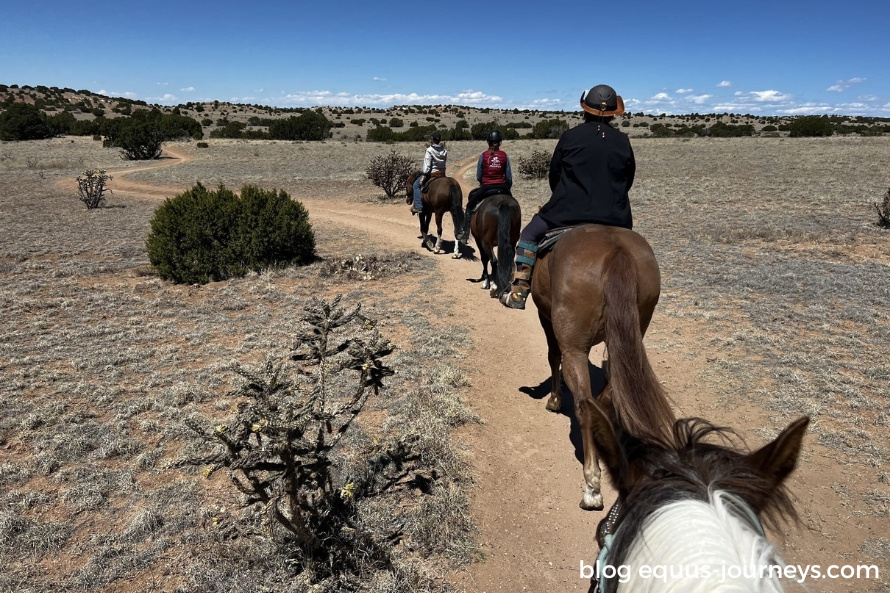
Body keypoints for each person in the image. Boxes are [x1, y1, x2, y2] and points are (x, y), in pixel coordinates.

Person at [500, 84, 635, 309]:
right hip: (616, 217)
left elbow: (555, 176)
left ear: (585, 110)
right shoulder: (623, 141)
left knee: (528, 235)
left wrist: (565, 195)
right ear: (613, 114)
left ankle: (519, 292)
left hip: (568, 212)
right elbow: (627, 180)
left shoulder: (570, 137)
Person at [461, 129, 513, 239]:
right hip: (503, 187)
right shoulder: (504, 156)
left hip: (486, 187)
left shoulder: (483, 155)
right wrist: (507, 188)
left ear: (488, 142)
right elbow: (508, 177)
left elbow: (479, 176)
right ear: (500, 142)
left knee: (469, 206)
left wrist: (483, 183)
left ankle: (465, 233)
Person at [410, 131, 447, 214]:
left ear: (432, 140)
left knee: (416, 185)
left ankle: (418, 206)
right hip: (442, 174)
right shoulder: (444, 150)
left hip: (432, 174)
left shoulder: (429, 150)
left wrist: (424, 175)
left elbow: (427, 167)